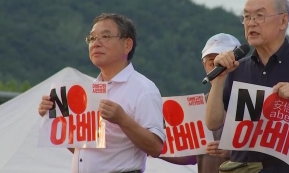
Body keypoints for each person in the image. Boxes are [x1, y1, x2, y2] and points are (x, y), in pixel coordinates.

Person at [205, 0, 289, 173]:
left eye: (259, 16)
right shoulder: (237, 68)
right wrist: (219, 79)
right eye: (247, 17)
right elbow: (213, 123)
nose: (251, 23)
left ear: (283, 21)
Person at [38, 13, 165, 173]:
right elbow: (83, 150)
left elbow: (155, 147)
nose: (96, 43)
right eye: (91, 38)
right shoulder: (89, 90)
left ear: (127, 44)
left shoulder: (144, 89)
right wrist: (55, 115)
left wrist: (122, 119)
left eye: (105, 37)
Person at [160, 33, 241, 173]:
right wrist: (151, 147)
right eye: (212, 63)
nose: (219, 67)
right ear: (204, 66)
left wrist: (234, 152)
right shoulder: (196, 105)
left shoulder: (252, 101)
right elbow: (190, 156)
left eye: (226, 61)